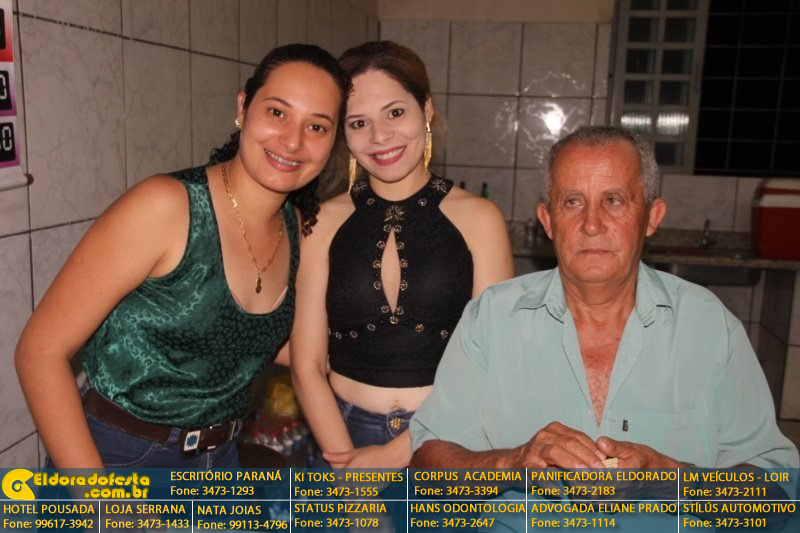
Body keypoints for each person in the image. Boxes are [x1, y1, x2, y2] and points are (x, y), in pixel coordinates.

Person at [15, 44, 350, 469]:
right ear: (243, 108)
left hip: (221, 458)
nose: (293, 140)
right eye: (277, 112)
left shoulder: (295, 227)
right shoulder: (167, 207)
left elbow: (255, 342)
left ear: (333, 142)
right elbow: (39, 352)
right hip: (120, 456)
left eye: (317, 126)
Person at [410, 125, 799, 473]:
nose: (592, 224)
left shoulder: (708, 325)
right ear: (547, 220)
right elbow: (427, 464)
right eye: (572, 202)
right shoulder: (492, 318)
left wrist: (670, 477)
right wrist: (513, 461)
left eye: (613, 200)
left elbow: (775, 489)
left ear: (652, 217)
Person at [290, 41, 514, 468]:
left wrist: (394, 454)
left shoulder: (480, 219)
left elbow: (492, 366)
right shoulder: (321, 222)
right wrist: (349, 472)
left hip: (447, 442)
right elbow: (306, 365)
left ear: (426, 110)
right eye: (359, 122)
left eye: (395, 113)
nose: (379, 137)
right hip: (339, 437)